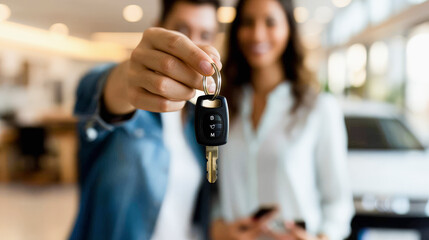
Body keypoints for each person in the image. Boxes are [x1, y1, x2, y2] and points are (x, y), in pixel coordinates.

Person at [70, 0, 222, 239]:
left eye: (205, 34)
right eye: (182, 30)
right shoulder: (130, 103)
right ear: (159, 27)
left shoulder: (198, 122)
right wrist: (126, 81)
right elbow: (96, 93)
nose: (194, 45)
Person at [211, 0, 354, 239]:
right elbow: (214, 190)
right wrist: (216, 229)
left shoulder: (318, 108)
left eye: (270, 22)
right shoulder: (223, 105)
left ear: (289, 29)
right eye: (247, 22)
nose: (257, 34)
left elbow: (337, 201)